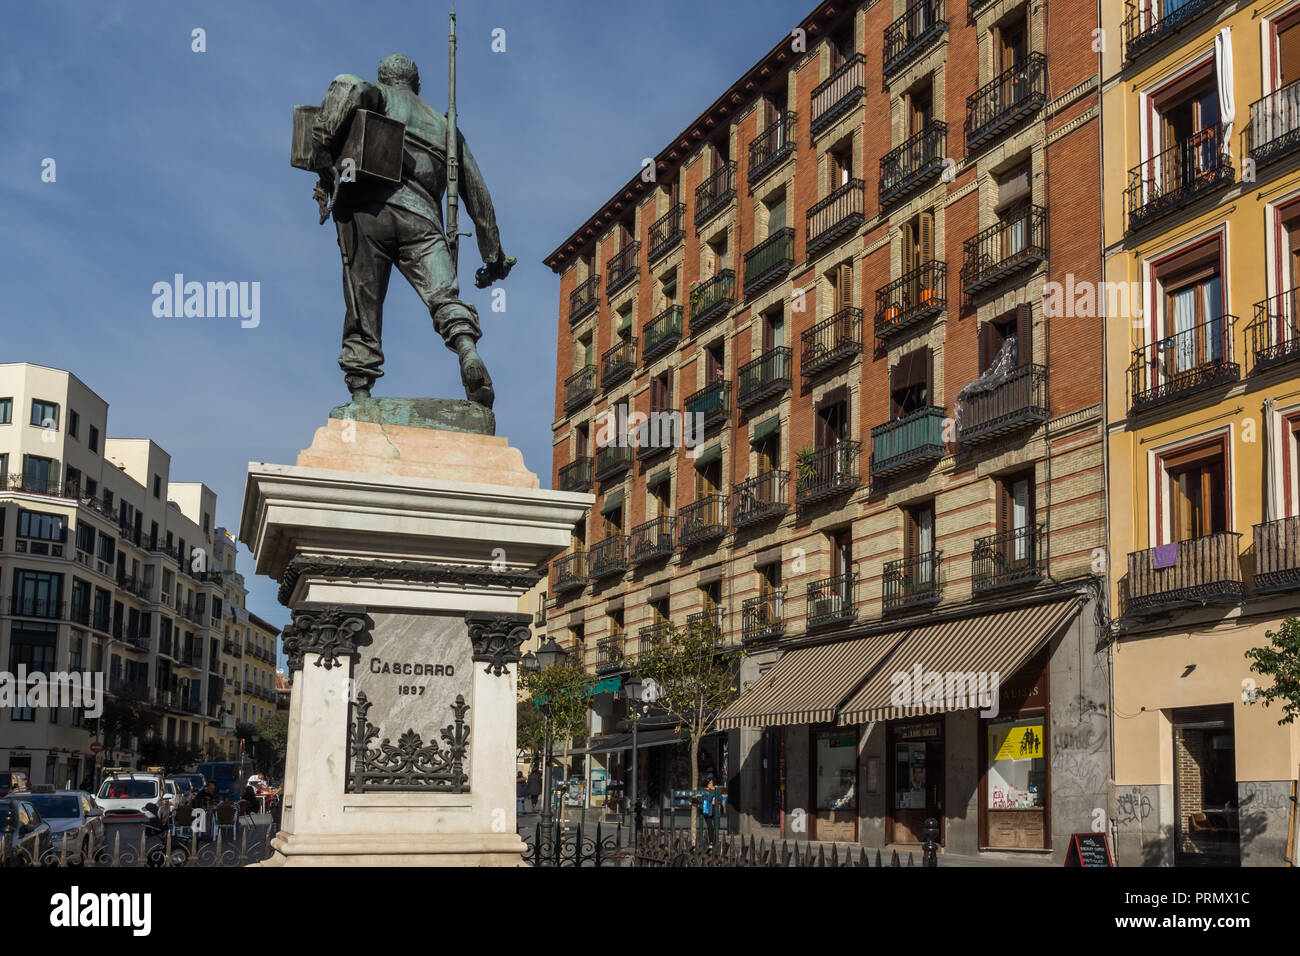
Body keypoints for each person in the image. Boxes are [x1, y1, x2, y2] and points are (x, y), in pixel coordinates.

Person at [309, 53, 514, 406]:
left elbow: (349, 84)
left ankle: (361, 390)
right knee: (444, 296)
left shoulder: (379, 95)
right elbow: (479, 197)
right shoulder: (445, 126)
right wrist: (493, 256)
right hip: (422, 218)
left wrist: (324, 149)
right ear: (416, 85)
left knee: (364, 304)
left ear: (386, 78)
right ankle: (466, 348)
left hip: (366, 211)